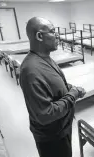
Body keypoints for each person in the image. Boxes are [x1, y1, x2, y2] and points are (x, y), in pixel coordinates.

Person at [19, 17, 86, 157]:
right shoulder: (31, 70)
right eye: (53, 31)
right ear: (39, 36)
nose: (58, 36)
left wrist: (71, 87)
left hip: (62, 129)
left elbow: (55, 83)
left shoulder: (45, 57)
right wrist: (72, 94)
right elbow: (45, 115)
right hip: (52, 138)